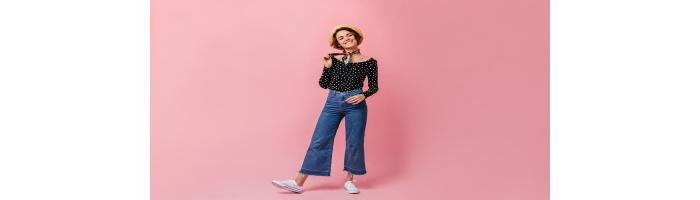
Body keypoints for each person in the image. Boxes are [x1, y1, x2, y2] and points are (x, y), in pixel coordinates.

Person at [272, 24, 379, 194]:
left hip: (355, 104)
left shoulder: (370, 62)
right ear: (338, 43)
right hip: (332, 103)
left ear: (356, 37)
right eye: (341, 38)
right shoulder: (334, 59)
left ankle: (349, 179)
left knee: (354, 142)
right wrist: (327, 67)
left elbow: (374, 87)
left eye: (348, 35)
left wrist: (364, 95)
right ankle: (298, 182)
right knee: (319, 140)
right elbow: (323, 84)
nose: (346, 39)